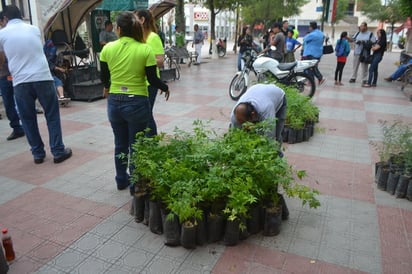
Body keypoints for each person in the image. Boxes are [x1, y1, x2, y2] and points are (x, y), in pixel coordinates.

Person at [99, 11, 170, 191]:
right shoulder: (144, 48)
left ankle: (121, 179)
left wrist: (108, 87)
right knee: (136, 145)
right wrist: (164, 87)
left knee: (120, 143)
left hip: (114, 102)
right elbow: (152, 79)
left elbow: (104, 78)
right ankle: (135, 186)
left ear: (119, 29)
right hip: (137, 102)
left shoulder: (107, 49)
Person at [0, 5, 72, 164]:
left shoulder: (2, 34)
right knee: (52, 115)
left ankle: (38, 154)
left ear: (5, 19)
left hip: (21, 81)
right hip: (43, 77)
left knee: (27, 118)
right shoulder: (34, 29)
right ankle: (58, 151)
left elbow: (1, 60)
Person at [136, 9, 165, 137]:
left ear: (142, 20)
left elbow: (160, 61)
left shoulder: (153, 37)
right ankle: (150, 140)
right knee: (144, 114)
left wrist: (145, 59)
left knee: (146, 114)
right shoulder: (136, 37)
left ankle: (151, 141)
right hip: (138, 82)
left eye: (135, 18)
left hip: (150, 82)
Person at [0, 11, 24, 141]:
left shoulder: (3, 34)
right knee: (17, 100)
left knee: (10, 101)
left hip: (8, 74)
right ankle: (19, 127)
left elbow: (1, 59)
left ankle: (18, 127)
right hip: (15, 73)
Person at [302, 21, 326, 85]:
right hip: (318, 53)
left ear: (311, 27)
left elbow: (305, 39)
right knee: (313, 67)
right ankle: (311, 81)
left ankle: (320, 77)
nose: (309, 28)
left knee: (311, 67)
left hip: (310, 53)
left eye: (309, 27)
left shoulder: (312, 34)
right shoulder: (321, 33)